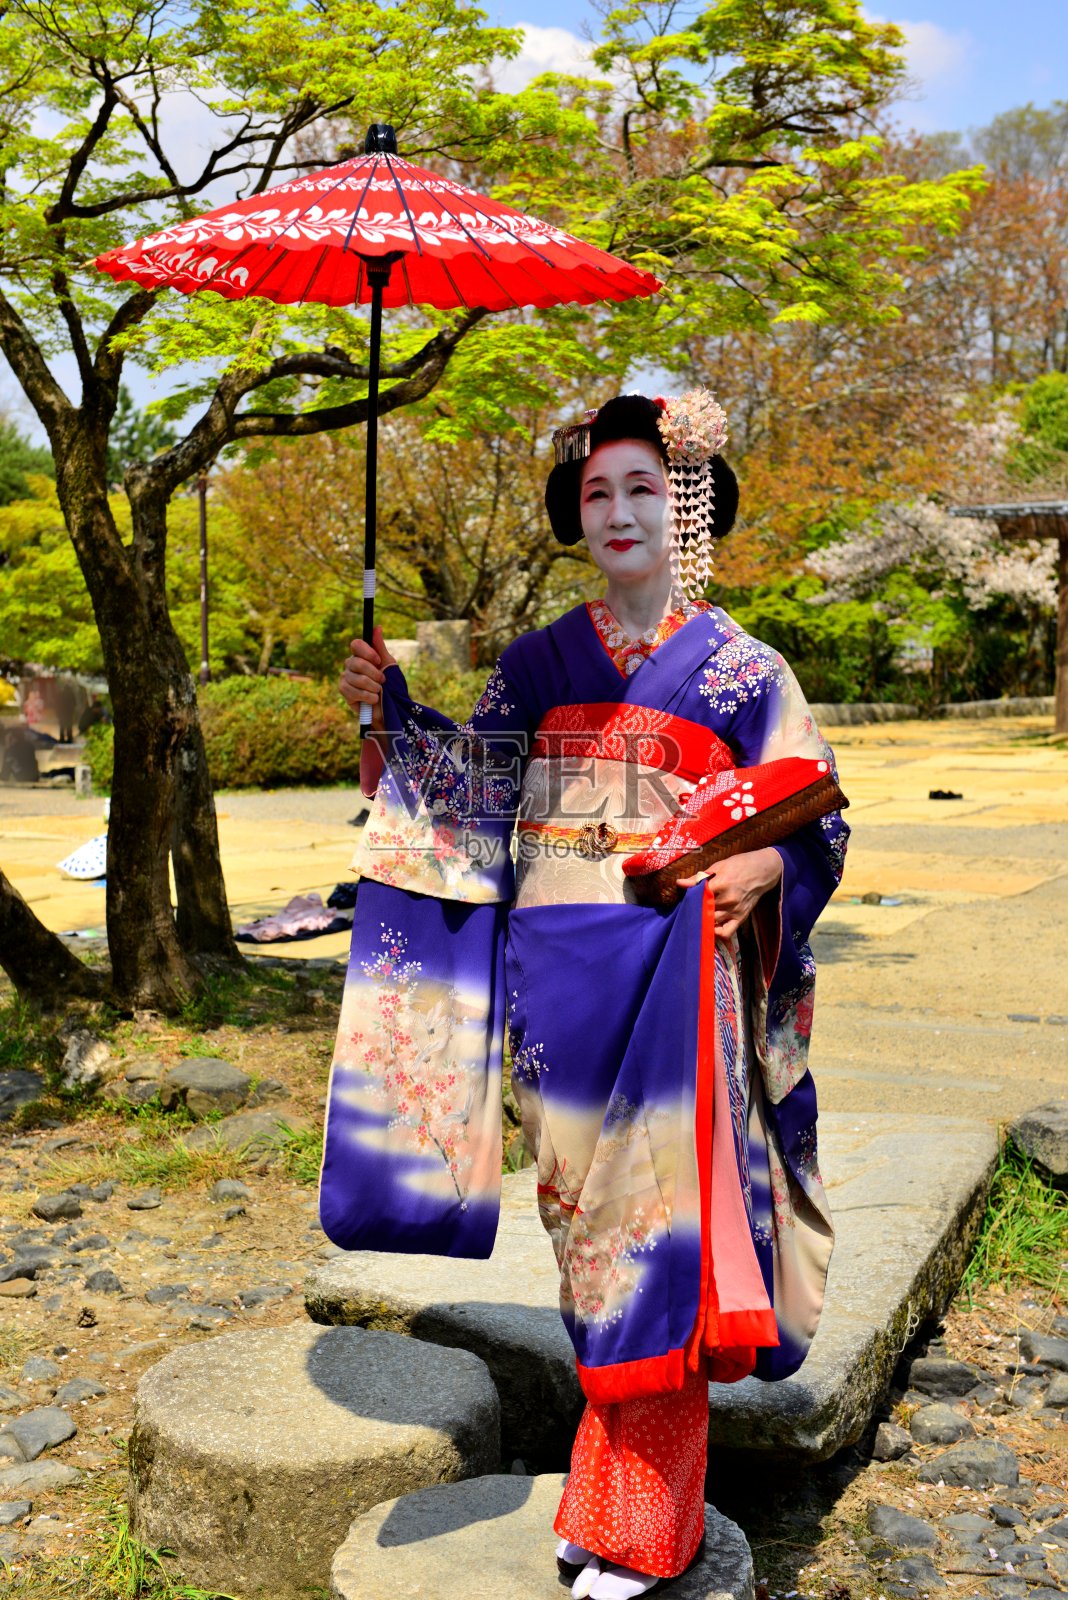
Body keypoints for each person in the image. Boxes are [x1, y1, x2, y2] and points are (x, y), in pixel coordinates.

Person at [322, 392, 849, 1599]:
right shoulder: (537, 662)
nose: (618, 511)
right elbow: (473, 801)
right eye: (599, 492)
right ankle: (606, 1496)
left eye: (643, 489)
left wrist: (766, 864)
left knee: (658, 1240)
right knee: (586, 1246)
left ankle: (643, 1528)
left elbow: (820, 816)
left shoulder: (743, 673)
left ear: (690, 507)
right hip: (556, 997)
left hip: (678, 991)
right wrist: (390, 709)